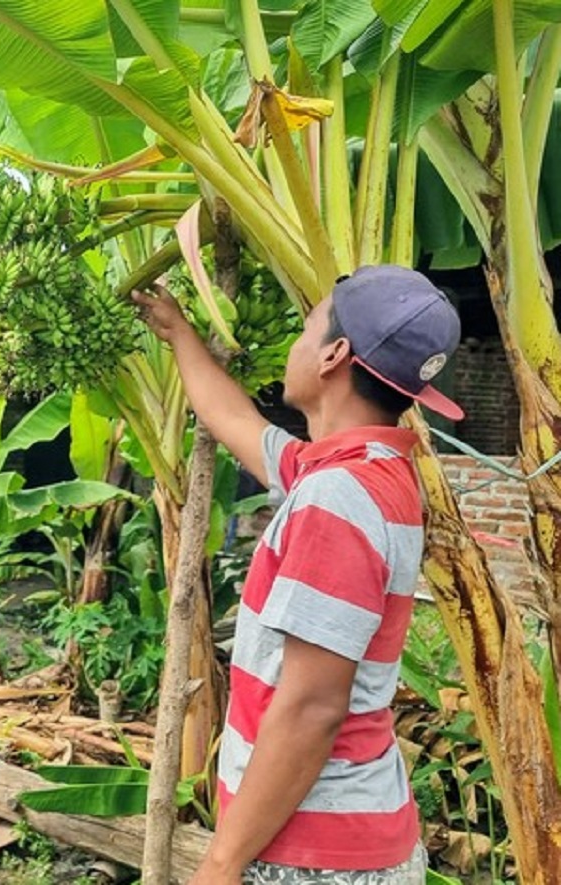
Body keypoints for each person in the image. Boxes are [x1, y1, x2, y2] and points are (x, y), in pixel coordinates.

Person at [134, 265, 463, 885]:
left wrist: (222, 861)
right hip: (343, 834)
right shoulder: (364, 470)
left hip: (316, 852)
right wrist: (179, 334)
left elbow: (314, 705)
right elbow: (237, 424)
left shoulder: (339, 497)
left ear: (335, 354)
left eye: (307, 327)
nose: (294, 343)